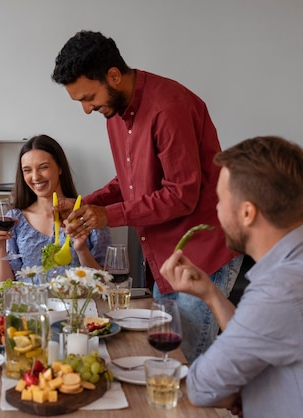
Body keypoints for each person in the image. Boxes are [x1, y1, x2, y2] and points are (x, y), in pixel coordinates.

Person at [51, 30, 243, 363]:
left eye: (88, 97)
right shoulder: (114, 112)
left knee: (187, 364)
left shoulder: (168, 107)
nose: (86, 109)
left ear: (113, 75)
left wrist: (107, 215)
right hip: (166, 255)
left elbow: (180, 195)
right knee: (163, 359)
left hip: (203, 252)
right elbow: (130, 182)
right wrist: (84, 204)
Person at [159, 136, 303, 417]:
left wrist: (237, 390)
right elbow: (263, 340)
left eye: (221, 200)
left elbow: (202, 388)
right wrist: (210, 294)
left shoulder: (280, 289)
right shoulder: (287, 271)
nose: (216, 209)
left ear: (247, 212)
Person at [0, 134, 111, 283]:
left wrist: (81, 249)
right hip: (29, 305)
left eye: (43, 167)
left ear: (60, 168)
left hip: (76, 305)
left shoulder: (89, 215)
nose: (35, 177)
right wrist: (0, 246)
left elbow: (104, 283)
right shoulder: (15, 219)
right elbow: (4, 285)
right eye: (27, 170)